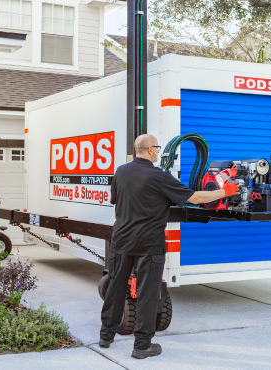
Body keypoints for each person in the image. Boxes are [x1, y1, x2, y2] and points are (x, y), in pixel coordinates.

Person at [99, 134, 239, 359]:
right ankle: (142, 346)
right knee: (147, 292)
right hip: (149, 244)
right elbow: (194, 198)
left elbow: (116, 199)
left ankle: (106, 336)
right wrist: (225, 192)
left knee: (116, 287)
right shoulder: (159, 177)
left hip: (121, 240)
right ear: (151, 151)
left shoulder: (121, 172)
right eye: (157, 148)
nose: (158, 151)